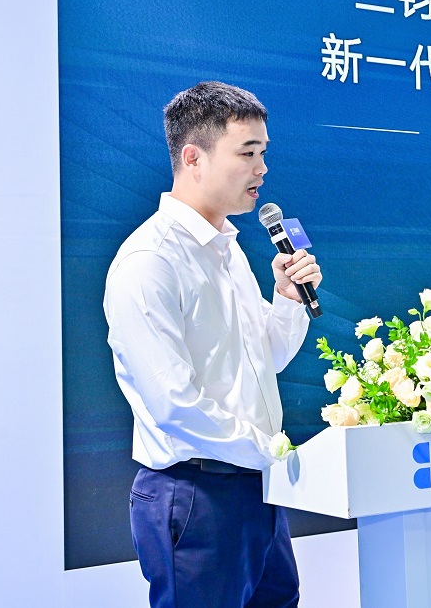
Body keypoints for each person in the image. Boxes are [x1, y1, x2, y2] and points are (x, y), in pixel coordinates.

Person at [103, 81, 321, 608]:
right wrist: (274, 452)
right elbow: (173, 404)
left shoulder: (227, 249)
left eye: (263, 153)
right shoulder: (151, 261)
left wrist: (287, 299)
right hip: (196, 494)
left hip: (254, 486)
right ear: (193, 157)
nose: (261, 169)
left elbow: (264, 361)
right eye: (247, 153)